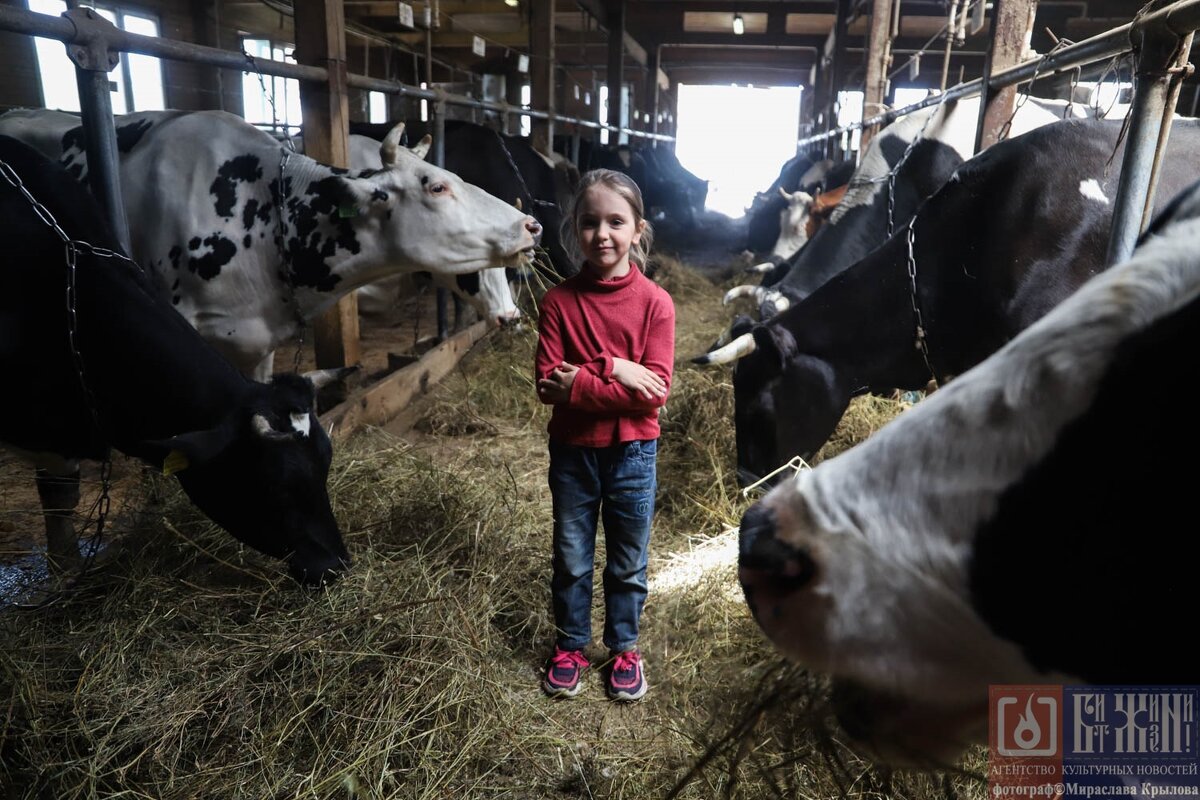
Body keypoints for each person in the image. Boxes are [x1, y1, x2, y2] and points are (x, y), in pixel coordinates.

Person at [535, 168, 675, 702]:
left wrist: (584, 381)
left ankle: (623, 648)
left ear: (637, 229)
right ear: (574, 227)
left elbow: (656, 393)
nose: (603, 234)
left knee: (627, 559)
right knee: (572, 555)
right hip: (573, 453)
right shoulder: (557, 302)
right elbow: (549, 386)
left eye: (617, 222)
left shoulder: (656, 303)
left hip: (634, 453)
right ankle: (571, 644)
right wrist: (614, 366)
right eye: (590, 222)